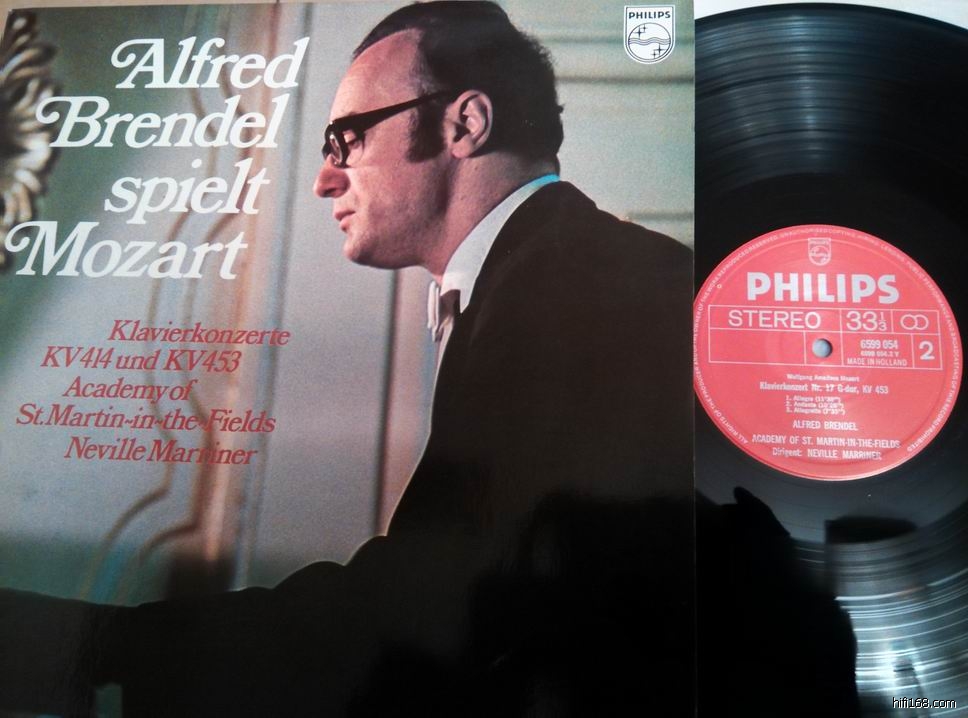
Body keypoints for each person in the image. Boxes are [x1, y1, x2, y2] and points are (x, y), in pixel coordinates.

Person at [0, 3, 693, 715]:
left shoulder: (579, 289)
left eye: (348, 139)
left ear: (465, 124)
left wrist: (96, 649)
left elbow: (430, 613)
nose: (325, 180)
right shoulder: (552, 271)